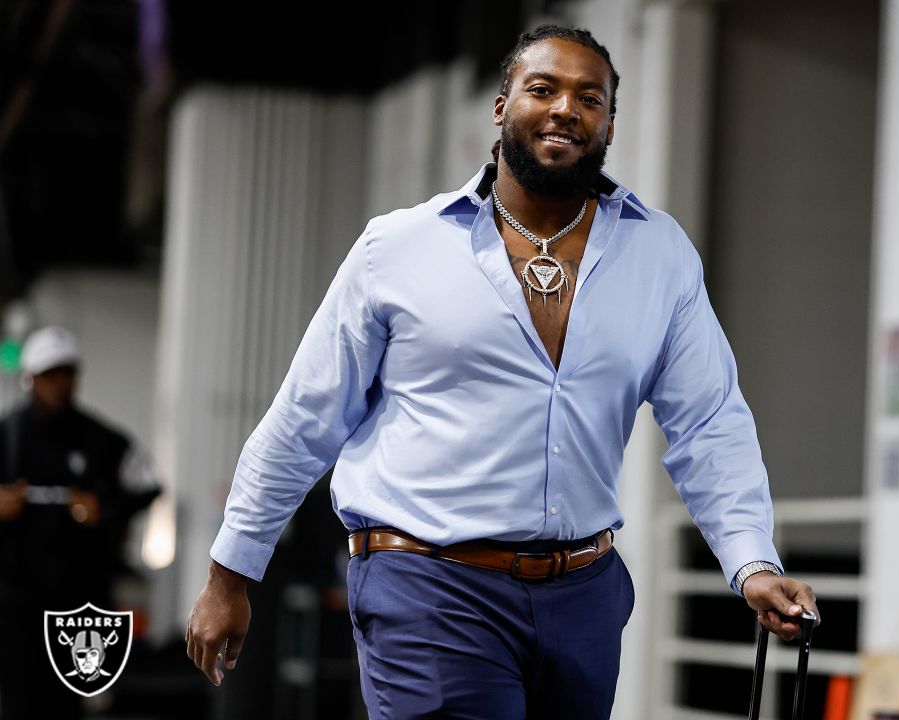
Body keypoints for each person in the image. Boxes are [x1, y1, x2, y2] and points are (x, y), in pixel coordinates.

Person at [186, 24, 819, 719]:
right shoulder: (397, 249)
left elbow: (710, 422)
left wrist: (752, 561)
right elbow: (307, 416)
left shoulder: (659, 254)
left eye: (590, 98)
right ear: (500, 106)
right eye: (542, 89)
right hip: (430, 585)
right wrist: (230, 572)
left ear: (609, 124)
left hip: (583, 597)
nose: (565, 109)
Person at [0, 325, 161, 719]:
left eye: (67, 373)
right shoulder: (7, 436)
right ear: (31, 379)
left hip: (81, 601)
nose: (60, 384)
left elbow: (149, 486)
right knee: (18, 699)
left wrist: (104, 510)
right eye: (50, 375)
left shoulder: (102, 440)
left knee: (74, 700)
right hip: (15, 599)